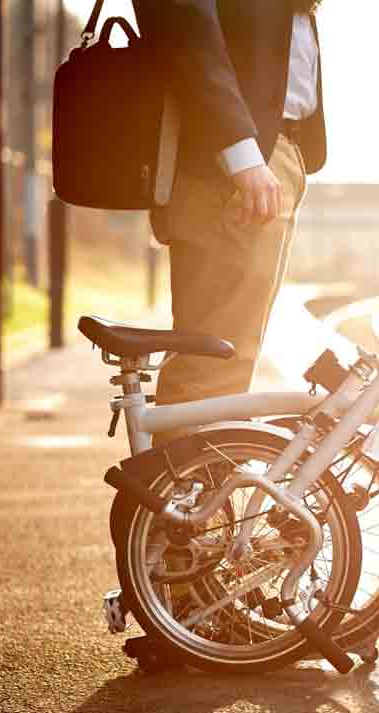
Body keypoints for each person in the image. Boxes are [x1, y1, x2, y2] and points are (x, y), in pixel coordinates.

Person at [132, 0, 326, 444]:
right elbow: (182, 19)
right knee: (211, 369)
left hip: (273, 152)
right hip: (237, 162)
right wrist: (239, 153)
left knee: (227, 364)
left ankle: (190, 505)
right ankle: (181, 511)